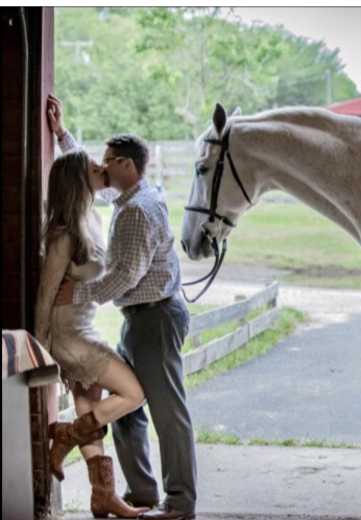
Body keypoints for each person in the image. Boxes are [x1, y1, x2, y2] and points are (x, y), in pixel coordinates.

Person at [48, 95, 198, 520]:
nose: (101, 164)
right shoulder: (135, 198)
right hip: (140, 317)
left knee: (167, 412)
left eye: (108, 160)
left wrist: (74, 295)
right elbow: (81, 178)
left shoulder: (136, 212)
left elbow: (122, 279)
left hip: (155, 317)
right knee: (128, 406)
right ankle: (141, 492)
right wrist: (62, 136)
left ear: (126, 166)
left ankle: (180, 503)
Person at [36, 100, 150, 518]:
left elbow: (76, 164)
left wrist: (63, 133)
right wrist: (43, 349)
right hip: (69, 335)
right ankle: (65, 435)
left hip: (83, 326)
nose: (104, 170)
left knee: (89, 404)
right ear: (82, 181)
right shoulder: (64, 233)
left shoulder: (90, 215)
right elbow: (46, 296)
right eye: (96, 169)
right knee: (134, 393)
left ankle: (104, 495)